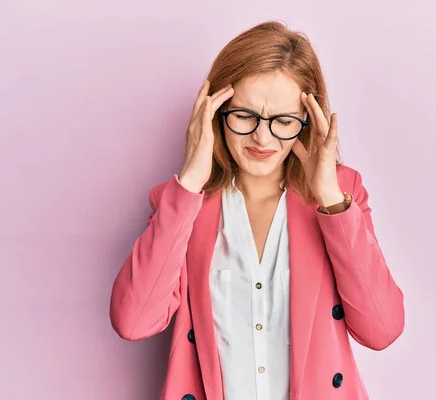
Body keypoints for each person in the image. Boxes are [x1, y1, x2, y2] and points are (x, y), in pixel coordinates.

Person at [109, 20, 404, 400]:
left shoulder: (341, 195)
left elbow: (382, 329)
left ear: (306, 122)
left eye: (283, 121)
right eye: (245, 116)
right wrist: (190, 183)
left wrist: (330, 197)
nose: (262, 138)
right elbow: (133, 321)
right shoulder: (182, 202)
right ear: (216, 112)